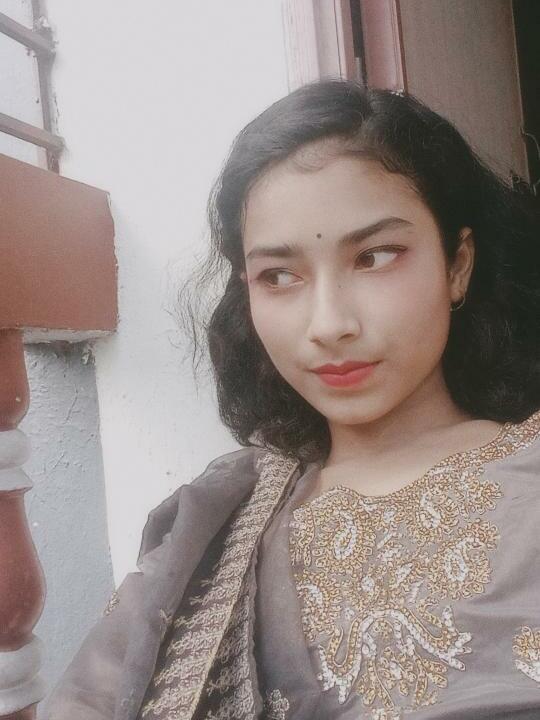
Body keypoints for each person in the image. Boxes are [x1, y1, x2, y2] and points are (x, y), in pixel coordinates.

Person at [44, 79, 540, 720]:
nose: (329, 324)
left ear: (457, 265)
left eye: (376, 256)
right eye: (279, 276)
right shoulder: (217, 525)